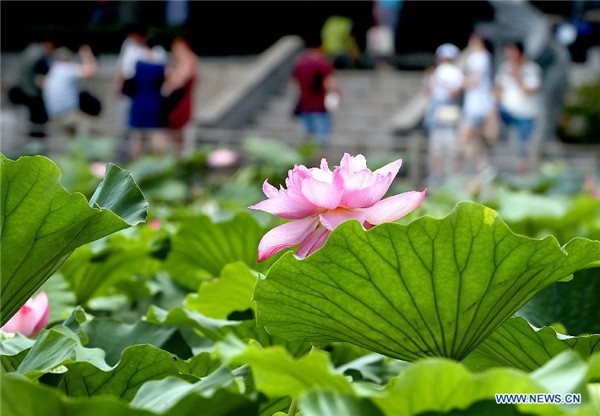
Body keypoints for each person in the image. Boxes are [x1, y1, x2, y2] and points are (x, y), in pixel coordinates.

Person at [495, 42, 542, 173]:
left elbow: (530, 90)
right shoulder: (505, 67)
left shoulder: (531, 69)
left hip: (525, 113)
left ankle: (523, 171)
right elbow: (498, 87)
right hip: (507, 111)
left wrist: (517, 76)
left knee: (523, 144)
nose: (509, 55)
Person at [424, 43, 463, 186]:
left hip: (446, 110)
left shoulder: (445, 73)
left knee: (444, 145)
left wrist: (437, 80)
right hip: (439, 111)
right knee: (440, 146)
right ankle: (439, 176)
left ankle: (445, 176)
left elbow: (452, 93)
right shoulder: (453, 72)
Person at [457, 33, 496, 174]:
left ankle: (475, 169)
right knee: (475, 141)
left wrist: (459, 82)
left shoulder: (477, 57)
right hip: (482, 106)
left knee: (463, 140)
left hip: (474, 107)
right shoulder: (486, 57)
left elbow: (475, 80)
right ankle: (484, 169)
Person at [292, 33, 339, 148]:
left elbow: (296, 83)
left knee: (307, 139)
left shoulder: (300, 64)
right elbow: (329, 84)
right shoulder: (323, 64)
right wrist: (336, 94)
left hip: (304, 105)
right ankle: (321, 161)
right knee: (321, 139)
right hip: (319, 107)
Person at [43, 45, 100, 134]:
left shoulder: (53, 70)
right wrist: (86, 54)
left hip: (53, 115)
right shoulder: (65, 68)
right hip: (67, 114)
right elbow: (91, 71)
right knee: (96, 131)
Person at [125, 42, 168, 158]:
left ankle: (135, 163)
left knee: (136, 137)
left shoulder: (138, 65)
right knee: (156, 134)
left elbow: (128, 79)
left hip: (139, 101)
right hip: (154, 102)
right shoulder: (160, 67)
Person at [8, 35, 55, 138]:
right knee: (41, 114)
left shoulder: (30, 50)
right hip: (31, 93)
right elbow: (39, 81)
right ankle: (37, 141)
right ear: (49, 44)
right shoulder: (40, 56)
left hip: (21, 89)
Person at [161, 37, 198, 149]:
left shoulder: (189, 60)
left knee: (181, 128)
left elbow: (180, 81)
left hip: (181, 99)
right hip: (173, 100)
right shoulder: (175, 62)